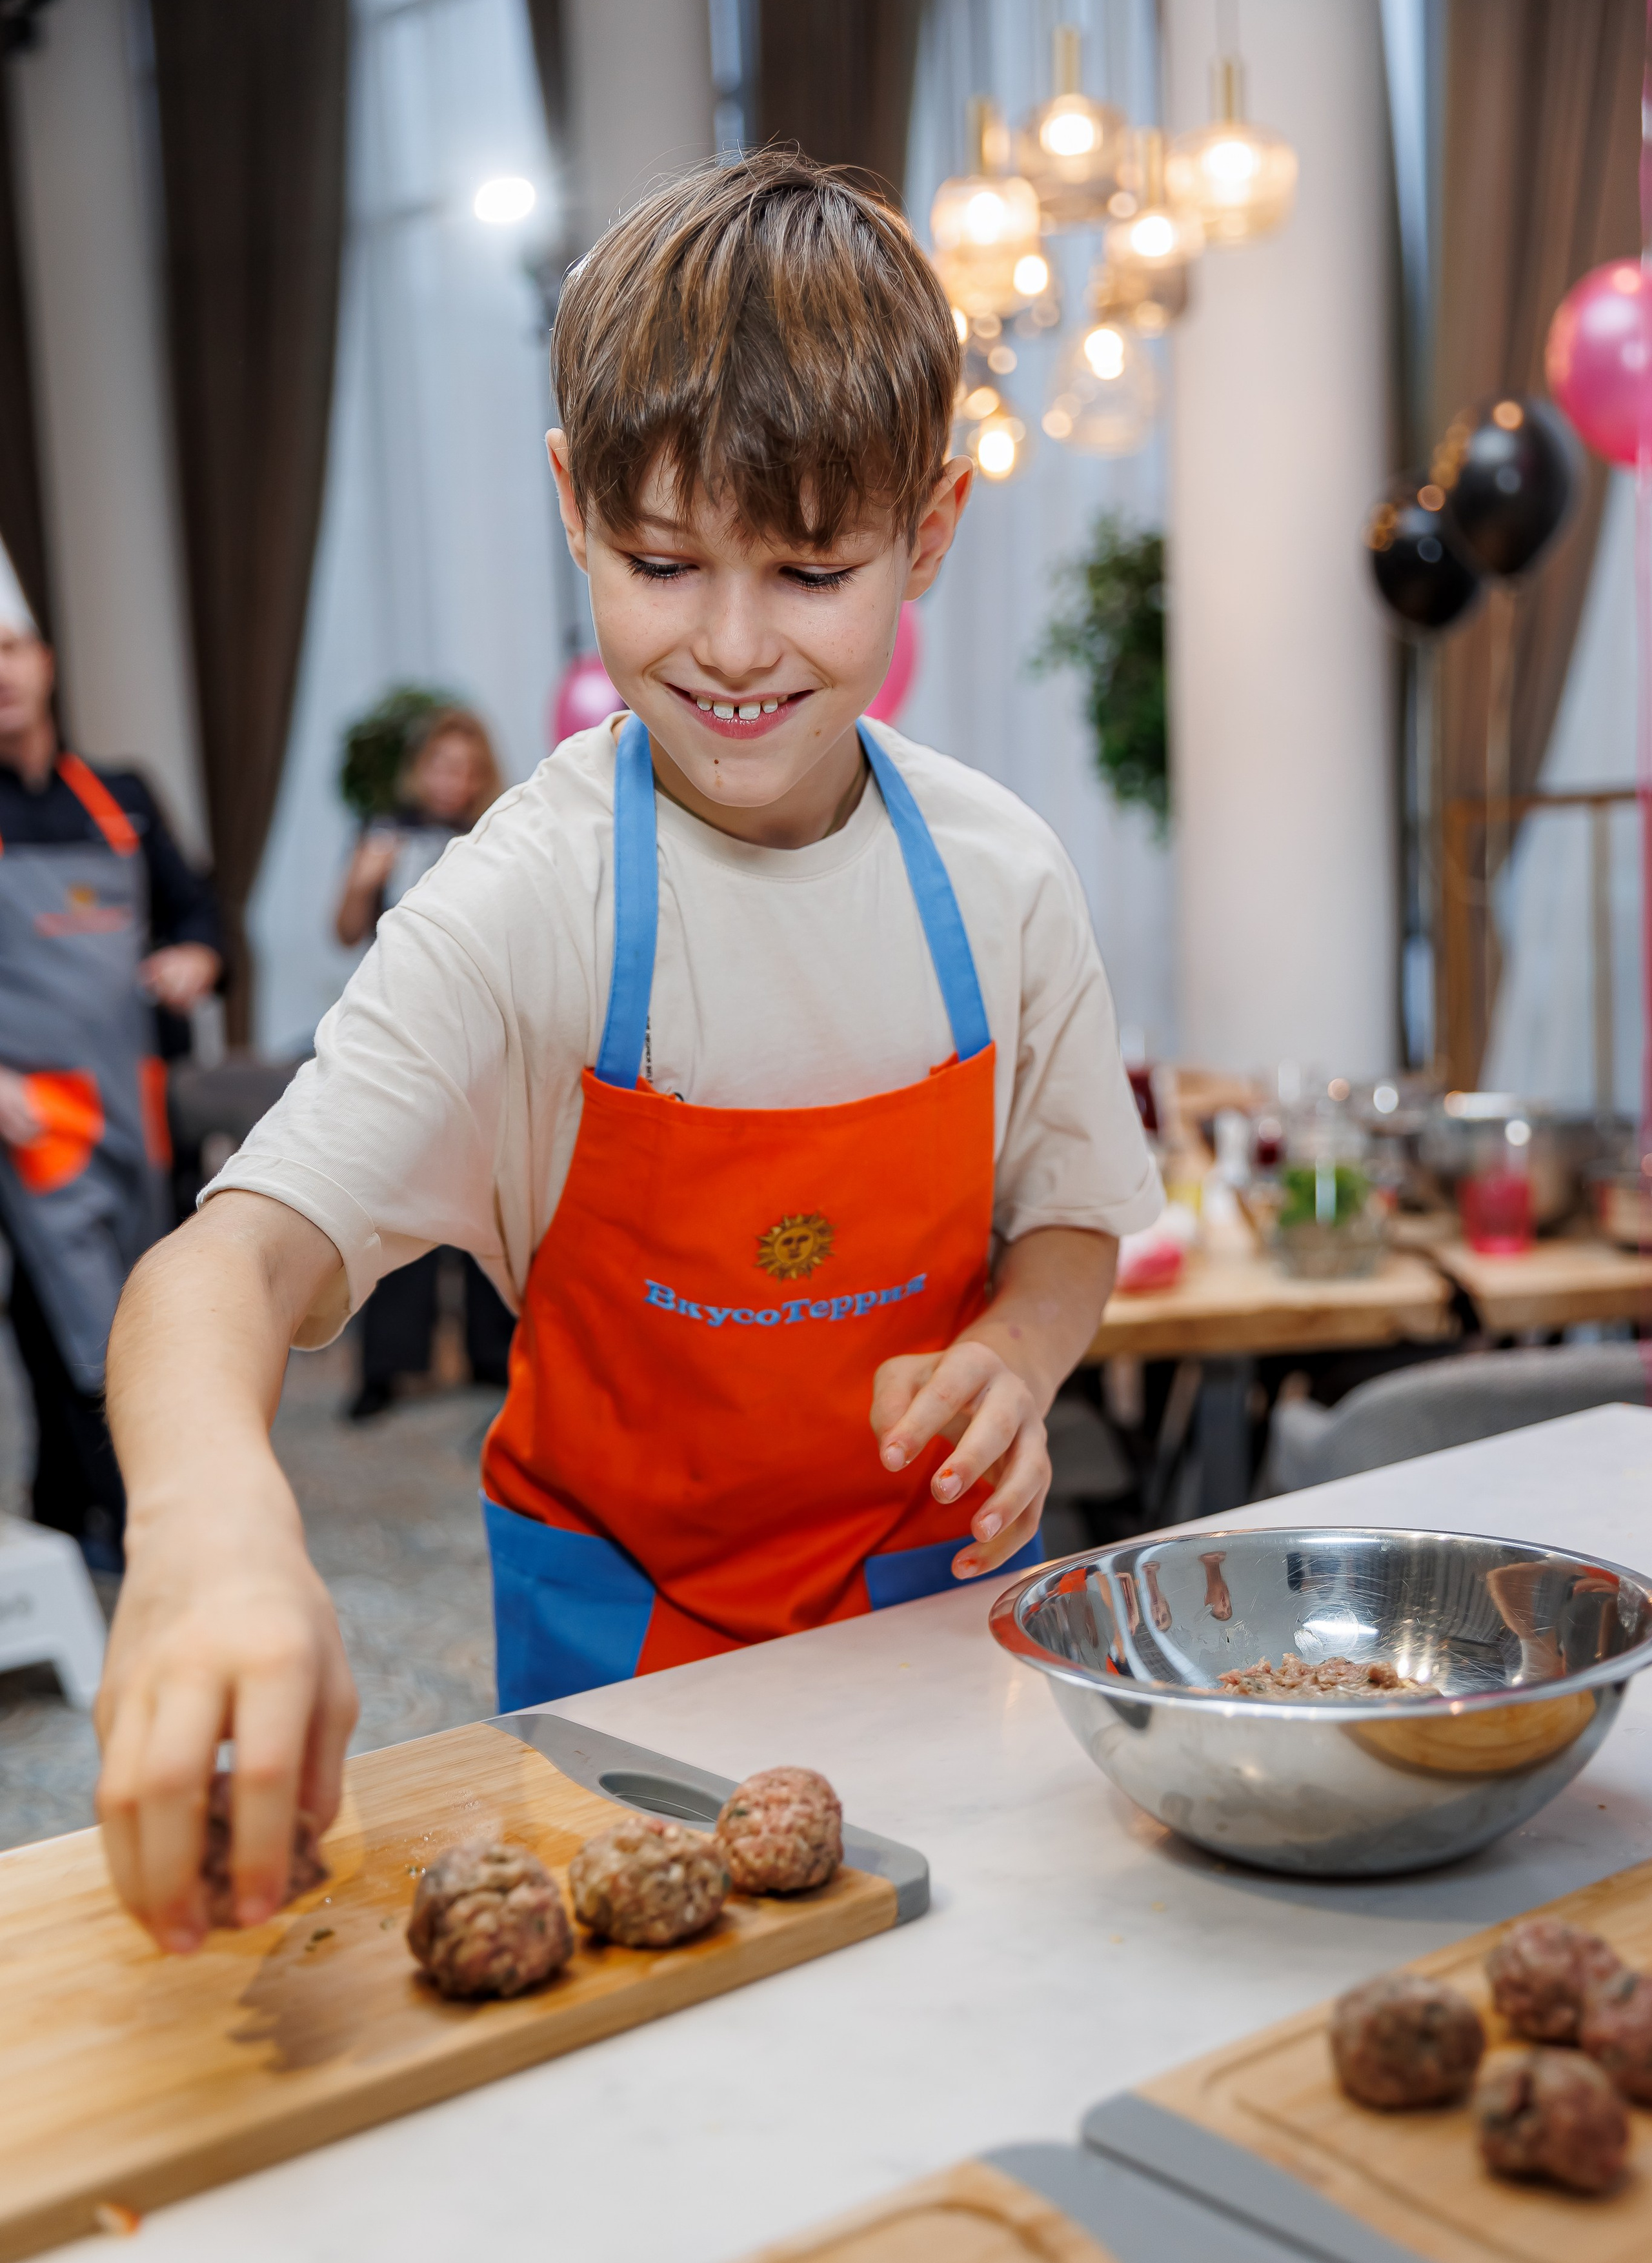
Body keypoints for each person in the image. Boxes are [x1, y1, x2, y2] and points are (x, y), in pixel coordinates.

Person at [96, 155, 1162, 1949]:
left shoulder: (1002, 879)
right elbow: (227, 1263)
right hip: (620, 1649)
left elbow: (1068, 1215)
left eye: (812, 570)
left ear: (930, 531)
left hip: (937, 1617)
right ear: (573, 508)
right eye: (663, 563)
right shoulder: (528, 902)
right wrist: (212, 1526)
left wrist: (1016, 1350)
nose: (731, 646)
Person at [0, 603, 222, 1566]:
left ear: (45, 661)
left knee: (137, 1302)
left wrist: (197, 957)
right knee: (81, 1323)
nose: (1, 673)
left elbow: (195, 911)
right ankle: (135, 1523)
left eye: (10, 649)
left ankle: (67, 1508)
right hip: (33, 1116)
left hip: (133, 1099)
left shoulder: (120, 797)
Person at [332, 705, 516, 1416]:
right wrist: (362, 880)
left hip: (482, 1037)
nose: (453, 780)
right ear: (422, 769)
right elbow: (346, 932)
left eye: (466, 768)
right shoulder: (383, 832)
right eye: (443, 765)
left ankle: (492, 1354)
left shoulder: (500, 835)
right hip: (403, 1037)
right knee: (398, 1196)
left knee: (488, 1198)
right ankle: (386, 1366)